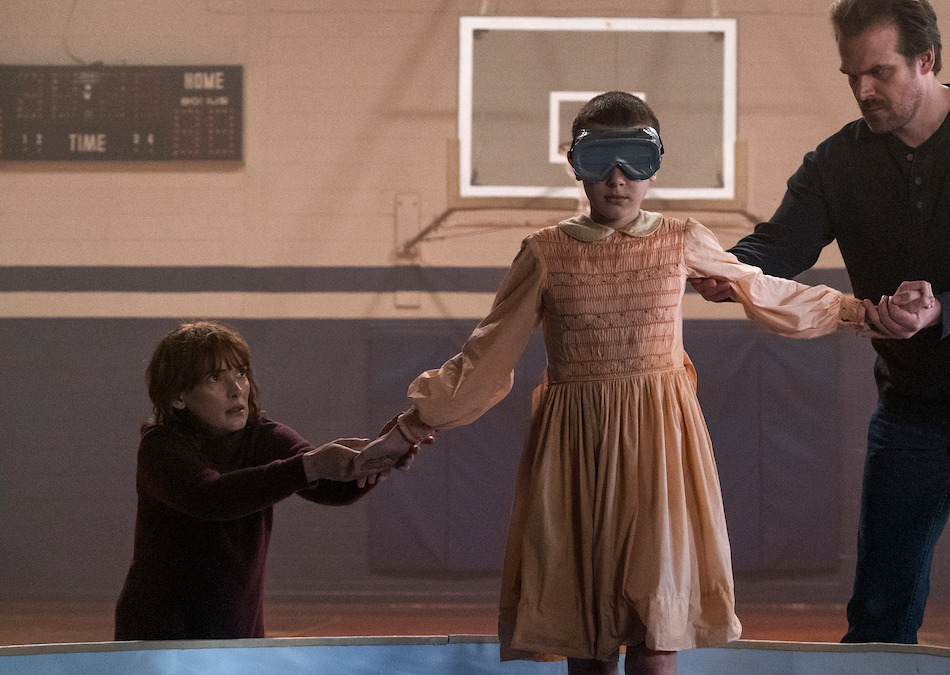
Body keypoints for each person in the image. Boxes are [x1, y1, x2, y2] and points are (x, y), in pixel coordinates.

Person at [353, 91, 879, 675]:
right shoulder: (545, 252)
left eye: (635, 160)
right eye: (599, 160)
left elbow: (763, 288)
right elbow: (487, 355)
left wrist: (863, 312)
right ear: (575, 164)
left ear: (655, 165)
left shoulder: (682, 237)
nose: (618, 179)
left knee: (657, 639)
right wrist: (409, 428)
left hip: (660, 451)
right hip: (575, 454)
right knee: (589, 643)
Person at [690, 0, 950, 653]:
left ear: (927, 60)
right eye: (850, 75)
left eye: (879, 72)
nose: (862, 90)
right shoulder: (838, 162)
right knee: (878, 606)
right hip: (911, 404)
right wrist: (723, 271)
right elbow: (778, 246)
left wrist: (942, 306)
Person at [114, 321, 378, 640]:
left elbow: (334, 488)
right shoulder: (160, 448)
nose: (236, 388)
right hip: (159, 635)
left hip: (237, 632)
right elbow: (212, 496)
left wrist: (384, 454)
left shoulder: (262, 435)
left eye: (240, 373)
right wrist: (309, 466)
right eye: (215, 378)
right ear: (178, 397)